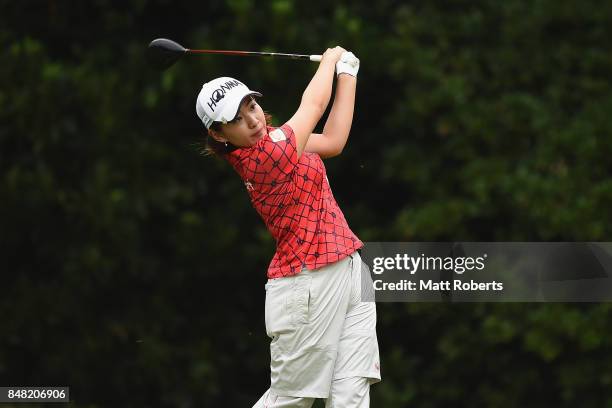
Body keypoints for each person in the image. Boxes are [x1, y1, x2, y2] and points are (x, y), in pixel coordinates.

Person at [195, 46, 381, 407]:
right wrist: (329, 61)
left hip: (349, 270)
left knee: (351, 394)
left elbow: (333, 141)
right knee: (291, 400)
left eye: (250, 106)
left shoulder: (279, 139)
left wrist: (348, 74)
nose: (251, 120)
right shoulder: (263, 157)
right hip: (307, 283)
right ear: (219, 135)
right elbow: (312, 107)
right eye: (235, 119)